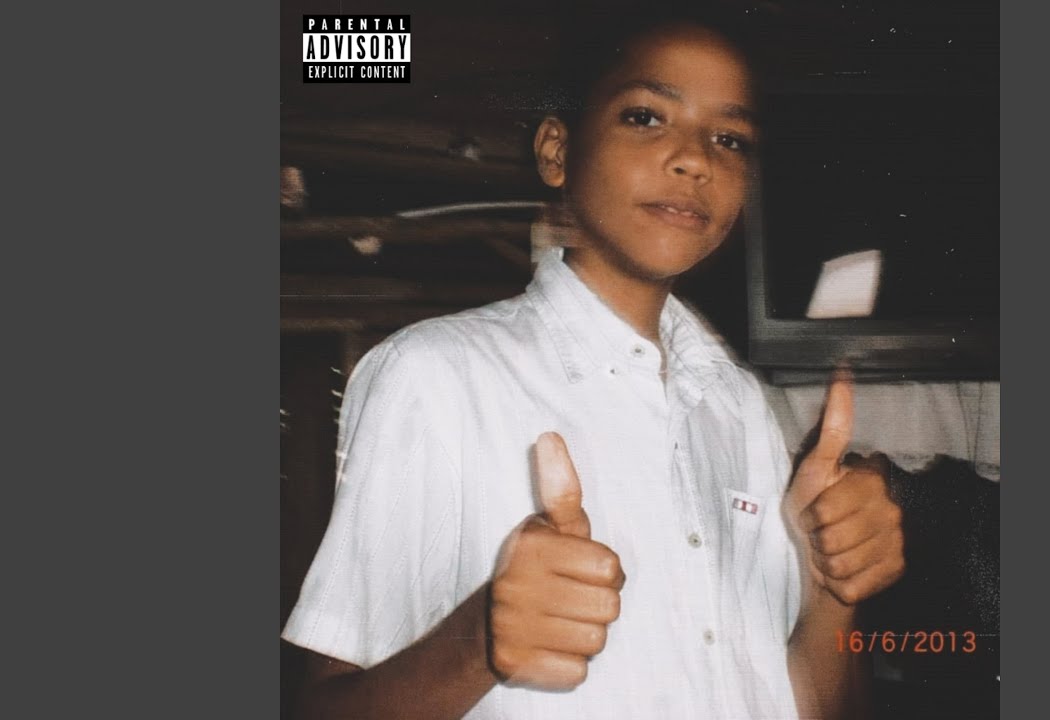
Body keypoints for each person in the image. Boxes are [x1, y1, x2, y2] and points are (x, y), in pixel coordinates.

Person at [282, 10, 905, 719]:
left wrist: (831, 588)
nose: (696, 159)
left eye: (729, 139)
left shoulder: (736, 403)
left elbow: (806, 702)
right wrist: (478, 643)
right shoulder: (434, 377)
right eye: (646, 117)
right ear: (557, 150)